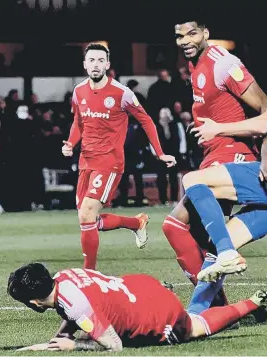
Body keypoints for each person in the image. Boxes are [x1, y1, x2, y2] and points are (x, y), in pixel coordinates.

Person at [186, 37, 267, 286]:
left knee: (192, 179)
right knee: (216, 249)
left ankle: (227, 252)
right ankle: (198, 316)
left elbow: (264, 123)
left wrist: (218, 129)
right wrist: (266, 155)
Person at [162, 14, 267, 314]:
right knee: (191, 235)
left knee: (175, 227)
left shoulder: (223, 62)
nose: (185, 41)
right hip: (215, 154)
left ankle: (209, 309)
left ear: (206, 32)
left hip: (234, 155)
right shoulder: (194, 67)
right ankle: (222, 308)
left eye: (191, 34)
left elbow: (266, 108)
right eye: (179, 36)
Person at [63, 43, 176, 270]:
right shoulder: (78, 92)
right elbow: (78, 122)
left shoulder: (121, 93)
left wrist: (160, 152)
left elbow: (146, 120)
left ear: (107, 64)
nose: (95, 65)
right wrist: (70, 143)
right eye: (91, 60)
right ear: (85, 65)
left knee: (86, 214)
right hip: (86, 161)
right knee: (88, 220)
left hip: (109, 162)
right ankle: (136, 223)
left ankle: (89, 274)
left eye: (100, 60)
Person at [7, 263, 267, 352]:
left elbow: (114, 345)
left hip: (156, 313)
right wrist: (64, 333)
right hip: (141, 287)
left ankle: (252, 303)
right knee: (192, 315)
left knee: (194, 327)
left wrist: (73, 345)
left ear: (33, 302)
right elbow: (74, 307)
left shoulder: (75, 305)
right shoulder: (64, 276)